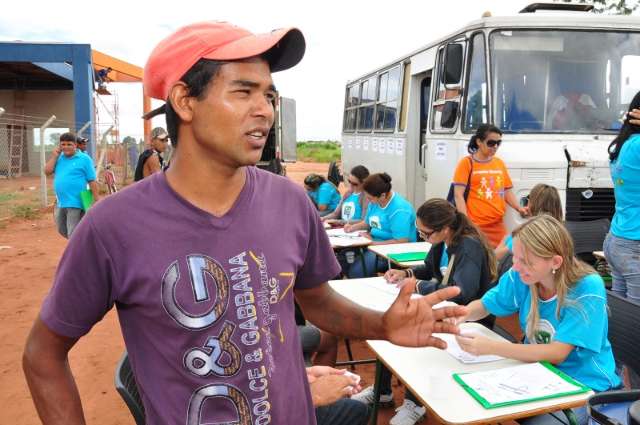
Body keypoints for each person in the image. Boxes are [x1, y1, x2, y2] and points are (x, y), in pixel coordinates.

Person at [23, 21, 467, 425]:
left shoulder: (290, 201)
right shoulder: (113, 227)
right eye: (244, 92)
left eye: (269, 95)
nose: (266, 110)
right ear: (184, 100)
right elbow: (43, 354)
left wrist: (383, 325)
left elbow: (318, 303)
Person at [455, 215, 621, 425]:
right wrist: (458, 315)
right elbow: (485, 305)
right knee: (476, 406)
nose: (515, 266)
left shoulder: (587, 287)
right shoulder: (522, 276)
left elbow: (557, 353)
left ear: (555, 262)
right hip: (536, 375)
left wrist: (489, 347)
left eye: (525, 261)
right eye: (515, 257)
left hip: (583, 386)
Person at [354, 199, 497, 425]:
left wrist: (418, 286)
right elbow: (430, 269)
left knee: (414, 334)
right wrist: (407, 274)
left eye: (425, 233)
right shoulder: (442, 241)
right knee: (391, 326)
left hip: (469, 319)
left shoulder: (468, 247)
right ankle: (382, 392)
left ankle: (414, 404)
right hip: (446, 310)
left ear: (445, 228)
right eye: (420, 232)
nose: (423, 237)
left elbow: (462, 293)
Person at [452, 124, 525, 248]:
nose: (495, 146)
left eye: (498, 143)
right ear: (479, 142)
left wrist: (519, 208)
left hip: (497, 225)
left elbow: (506, 191)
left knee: (504, 258)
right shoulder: (466, 163)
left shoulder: (499, 163)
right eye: (491, 143)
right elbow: (458, 195)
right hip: (476, 226)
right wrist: (466, 224)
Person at [344, 173, 417, 278]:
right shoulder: (375, 202)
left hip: (393, 250)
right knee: (344, 257)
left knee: (357, 271)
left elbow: (401, 241)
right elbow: (367, 222)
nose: (368, 201)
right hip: (374, 245)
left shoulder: (399, 210)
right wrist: (352, 228)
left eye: (370, 198)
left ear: (382, 195)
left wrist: (373, 243)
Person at [604, 92, 640, 303]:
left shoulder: (625, 144)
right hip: (634, 245)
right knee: (636, 320)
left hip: (618, 239)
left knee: (622, 314)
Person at [44, 132, 100, 239]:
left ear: (75, 145)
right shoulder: (59, 158)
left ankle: (77, 252)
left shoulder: (84, 159)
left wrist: (96, 199)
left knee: (72, 232)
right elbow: (47, 171)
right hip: (61, 202)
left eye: (69, 144)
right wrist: (55, 157)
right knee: (61, 229)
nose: (66, 147)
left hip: (76, 201)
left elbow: (92, 180)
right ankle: (82, 244)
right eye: (63, 144)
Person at [495, 183, 563, 262]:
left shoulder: (528, 232)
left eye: (528, 199)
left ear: (533, 204)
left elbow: (497, 255)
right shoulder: (559, 231)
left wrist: (504, 240)